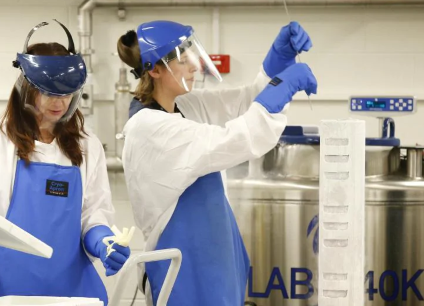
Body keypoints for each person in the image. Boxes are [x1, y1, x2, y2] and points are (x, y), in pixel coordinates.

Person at [116, 20, 317, 306]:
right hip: (183, 273)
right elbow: (234, 139)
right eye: (184, 61)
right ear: (156, 70)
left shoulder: (183, 106)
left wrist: (278, 63)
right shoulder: (149, 127)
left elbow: (246, 102)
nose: (194, 67)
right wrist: (284, 86)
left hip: (212, 266)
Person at [0, 20, 130, 304]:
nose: (59, 102)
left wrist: (103, 241)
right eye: (49, 92)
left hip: (72, 292)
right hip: (5, 289)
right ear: (26, 88)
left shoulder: (87, 145)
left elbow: (93, 213)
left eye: (66, 93)